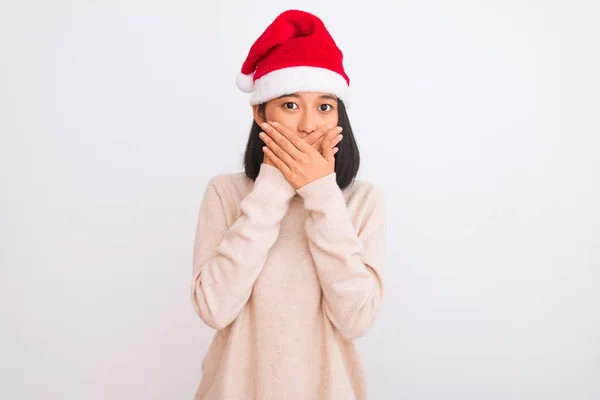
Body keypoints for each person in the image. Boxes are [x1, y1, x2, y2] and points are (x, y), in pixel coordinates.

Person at [190, 9, 387, 400]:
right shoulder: (226, 193)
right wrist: (273, 188)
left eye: (325, 106)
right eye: (291, 105)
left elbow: (356, 319)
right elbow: (214, 308)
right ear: (259, 113)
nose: (310, 125)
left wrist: (321, 195)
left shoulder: (363, 201)